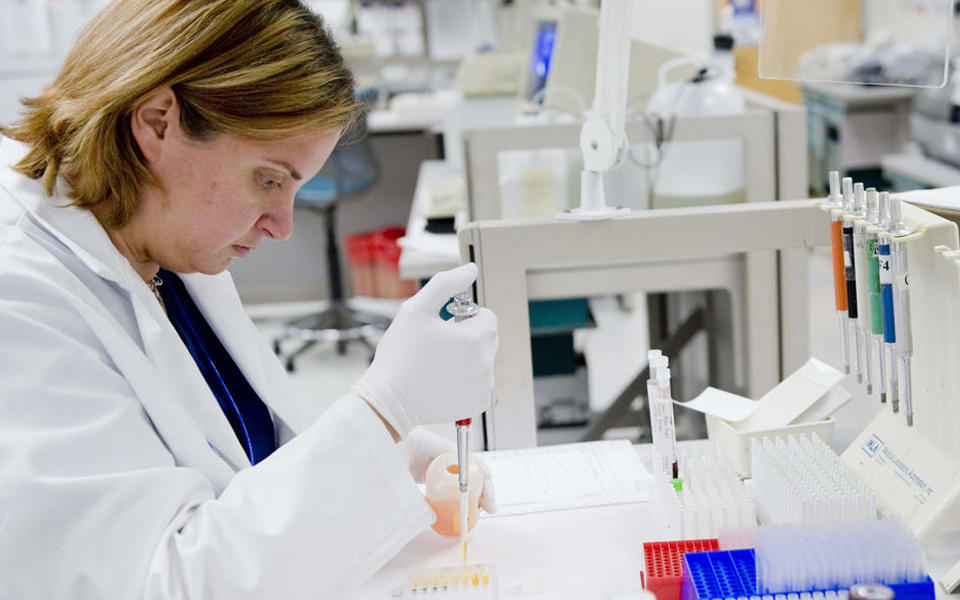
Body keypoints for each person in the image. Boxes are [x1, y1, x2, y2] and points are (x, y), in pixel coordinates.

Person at [0, 1, 498, 598]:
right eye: (268, 179)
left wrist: (384, 447)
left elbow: (246, 458)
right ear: (158, 122)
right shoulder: (20, 299)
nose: (282, 225)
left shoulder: (163, 237)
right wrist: (382, 409)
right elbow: (166, 583)